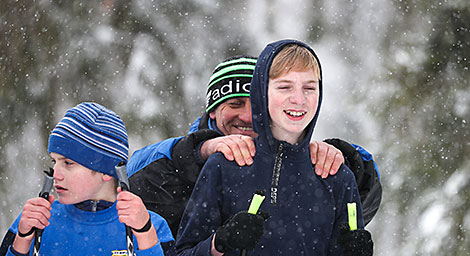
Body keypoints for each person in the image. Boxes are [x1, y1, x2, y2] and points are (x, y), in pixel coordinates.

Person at [175, 39, 373, 256]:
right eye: (285, 87)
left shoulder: (335, 177)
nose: (298, 99)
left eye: (309, 88)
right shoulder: (226, 165)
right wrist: (220, 242)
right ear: (261, 92)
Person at [126, 55, 382, 238]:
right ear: (213, 111)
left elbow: (364, 200)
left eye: (256, 105)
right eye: (235, 104)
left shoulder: (287, 162)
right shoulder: (184, 160)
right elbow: (130, 178)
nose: (247, 116)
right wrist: (198, 153)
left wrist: (344, 160)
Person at [0, 102, 184, 256]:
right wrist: (21, 244)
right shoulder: (37, 221)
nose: (56, 173)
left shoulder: (150, 226)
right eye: (55, 162)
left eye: (68, 163)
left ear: (106, 170)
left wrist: (145, 235)